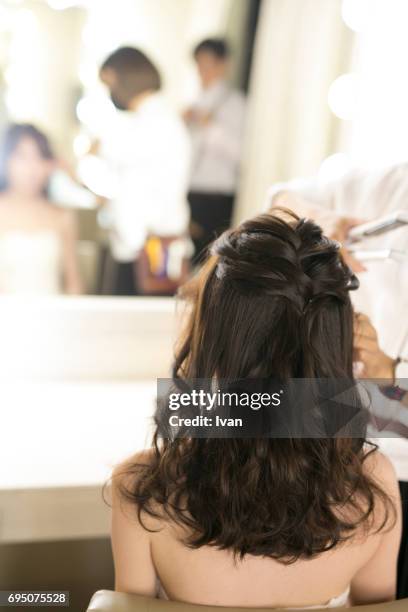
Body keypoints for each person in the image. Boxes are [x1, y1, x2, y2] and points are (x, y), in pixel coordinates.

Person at [110, 211, 402, 608]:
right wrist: (379, 386)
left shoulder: (141, 491)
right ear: (338, 345)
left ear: (212, 337)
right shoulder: (374, 488)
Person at [266, 165, 408, 598]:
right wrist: (324, 226)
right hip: (338, 439)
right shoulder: (393, 183)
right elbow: (280, 199)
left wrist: (388, 381)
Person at [99, 47, 190, 295]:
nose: (109, 92)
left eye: (109, 82)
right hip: (142, 245)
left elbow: (151, 190)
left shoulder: (158, 122)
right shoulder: (148, 120)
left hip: (152, 249)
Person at [0, 124, 82, 295]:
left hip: (55, 316)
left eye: (39, 157)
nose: (31, 167)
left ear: (50, 165)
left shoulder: (62, 216)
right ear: (6, 160)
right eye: (22, 156)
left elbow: (74, 283)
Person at [183, 38, 246, 259]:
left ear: (223, 64)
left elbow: (241, 153)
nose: (202, 70)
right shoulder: (192, 100)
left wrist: (210, 127)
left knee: (212, 257)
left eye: (207, 63)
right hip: (190, 189)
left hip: (218, 195)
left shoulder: (235, 103)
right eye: (198, 64)